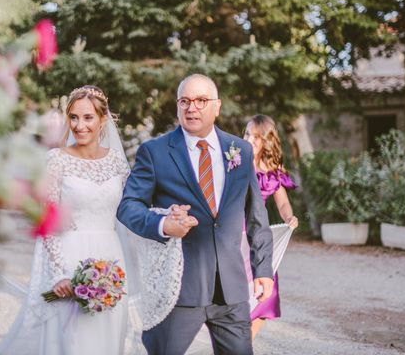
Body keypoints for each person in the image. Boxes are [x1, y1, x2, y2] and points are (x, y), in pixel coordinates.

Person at [117, 74, 275, 355]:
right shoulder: (154, 152)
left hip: (231, 291)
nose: (192, 108)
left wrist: (262, 270)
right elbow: (128, 207)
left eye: (201, 100)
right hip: (178, 289)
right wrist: (164, 224)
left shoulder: (241, 150)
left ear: (217, 106)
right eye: (185, 101)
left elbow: (256, 216)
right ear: (178, 106)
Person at [0, 85, 135, 355]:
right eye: (73, 117)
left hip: (112, 261)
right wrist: (59, 273)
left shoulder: (117, 162)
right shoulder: (56, 160)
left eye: (88, 117)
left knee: (107, 338)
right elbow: (47, 221)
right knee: (73, 342)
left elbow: (131, 208)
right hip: (70, 259)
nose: (79, 125)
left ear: (102, 120)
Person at [243, 114, 298, 340]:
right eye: (247, 134)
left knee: (266, 292)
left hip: (257, 235)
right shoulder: (234, 162)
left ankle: (247, 343)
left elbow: (282, 202)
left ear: (266, 141)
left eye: (256, 137)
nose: (249, 140)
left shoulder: (271, 173)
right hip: (235, 233)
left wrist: (289, 217)